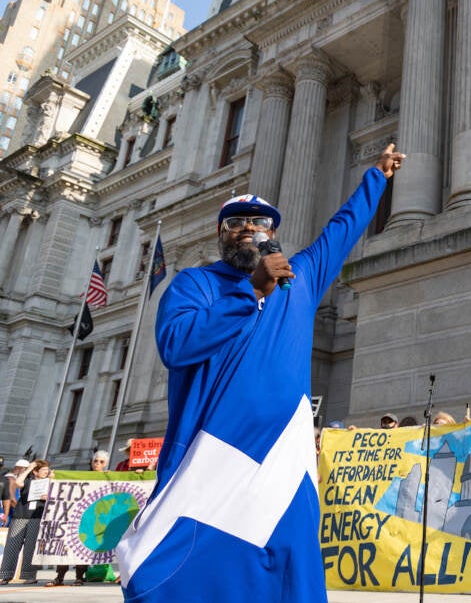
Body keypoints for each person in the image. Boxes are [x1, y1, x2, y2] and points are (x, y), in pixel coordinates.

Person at [115, 144, 405, 603]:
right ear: (221, 234)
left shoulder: (302, 278)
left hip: (282, 459)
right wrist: (250, 291)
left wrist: (378, 177)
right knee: (171, 573)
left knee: (287, 566)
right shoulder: (194, 284)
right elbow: (177, 344)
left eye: (261, 223)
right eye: (236, 223)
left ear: (273, 234)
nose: (249, 229)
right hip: (211, 453)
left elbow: (342, 229)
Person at [47, 451, 111, 587]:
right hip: (74, 516)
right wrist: (55, 477)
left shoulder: (107, 477)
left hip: (92, 519)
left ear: (105, 464)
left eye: (101, 462)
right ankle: (60, 576)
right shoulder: (82, 476)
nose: (98, 464)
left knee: (84, 548)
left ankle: (79, 577)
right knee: (66, 546)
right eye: (96, 461)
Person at [0, 459, 50, 585]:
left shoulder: (49, 483)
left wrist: (47, 497)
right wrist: (28, 469)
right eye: (43, 470)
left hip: (37, 517)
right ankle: (6, 575)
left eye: (47, 470)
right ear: (36, 471)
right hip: (21, 516)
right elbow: (17, 483)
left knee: (31, 547)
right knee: (12, 544)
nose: (46, 472)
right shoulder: (28, 481)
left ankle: (29, 575)